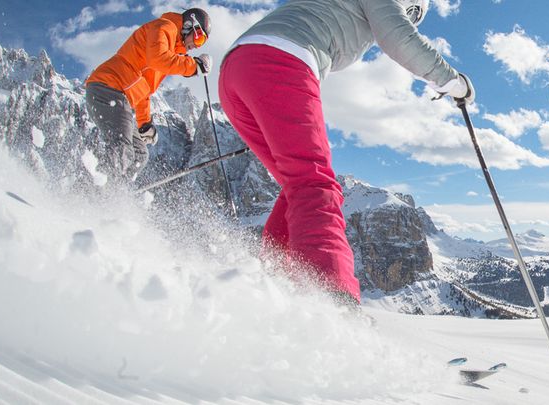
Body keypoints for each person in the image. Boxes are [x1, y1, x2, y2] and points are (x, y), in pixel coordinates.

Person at [219, 0, 474, 304]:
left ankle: (275, 284)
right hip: (281, 59)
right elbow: (397, 35)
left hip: (236, 70)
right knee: (314, 185)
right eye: (415, 12)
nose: (412, 18)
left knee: (296, 186)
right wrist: (453, 82)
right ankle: (330, 300)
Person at [85, 8, 213, 184]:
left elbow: (144, 90)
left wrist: (145, 124)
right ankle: (95, 191)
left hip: (119, 96)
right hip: (107, 88)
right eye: (199, 37)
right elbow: (158, 58)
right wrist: (192, 66)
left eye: (202, 43)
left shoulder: (171, 53)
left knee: (139, 154)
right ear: (189, 25)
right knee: (121, 147)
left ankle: (115, 190)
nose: (197, 45)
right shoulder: (164, 27)